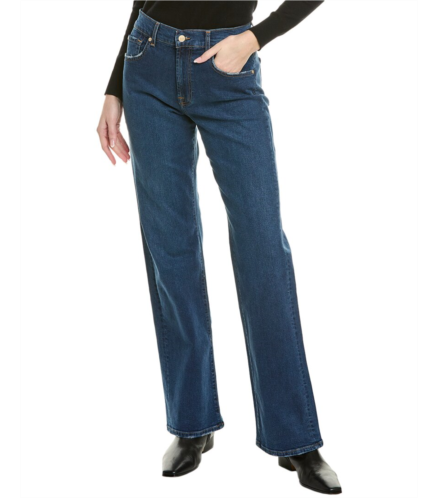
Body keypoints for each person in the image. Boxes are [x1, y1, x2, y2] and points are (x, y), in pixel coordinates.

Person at [97, 1, 342, 494]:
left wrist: (255, 38)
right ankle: (192, 423)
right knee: (171, 253)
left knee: (263, 253)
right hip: (147, 63)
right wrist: (114, 86)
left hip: (229, 68)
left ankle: (294, 437)